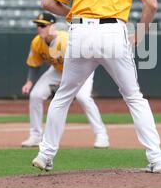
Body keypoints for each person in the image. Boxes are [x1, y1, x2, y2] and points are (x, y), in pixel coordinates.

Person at [31, 0, 161, 174]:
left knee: (63, 96)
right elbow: (152, 4)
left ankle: (45, 154)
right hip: (113, 32)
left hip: (81, 32)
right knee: (134, 98)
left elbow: (47, 3)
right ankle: (156, 159)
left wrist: (73, 15)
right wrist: (139, 35)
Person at [20, 12, 110, 148]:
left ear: (53, 27)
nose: (39, 28)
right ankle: (36, 136)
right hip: (58, 71)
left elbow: (85, 58)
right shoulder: (37, 42)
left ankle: (101, 135)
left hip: (82, 70)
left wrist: (69, 85)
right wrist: (29, 82)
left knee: (83, 98)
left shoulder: (65, 40)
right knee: (36, 95)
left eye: (43, 25)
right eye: (38, 25)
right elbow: (34, 64)